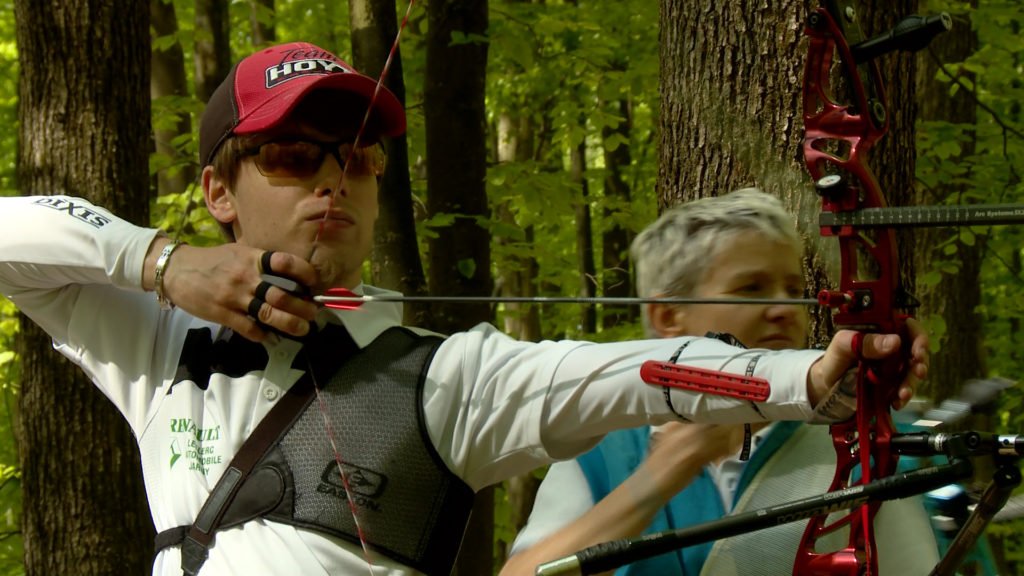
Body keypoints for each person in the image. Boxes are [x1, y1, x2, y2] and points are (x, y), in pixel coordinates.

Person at [0, 42, 928, 576]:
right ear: (218, 191)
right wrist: (164, 266)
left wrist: (814, 378)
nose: (335, 179)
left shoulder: (446, 373)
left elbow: (636, 375)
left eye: (359, 159)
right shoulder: (149, 333)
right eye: (295, 155)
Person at [503, 190, 940, 576]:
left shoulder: (864, 439)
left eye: (793, 290)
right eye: (752, 289)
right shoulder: (602, 450)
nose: (785, 309)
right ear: (667, 316)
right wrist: (665, 472)